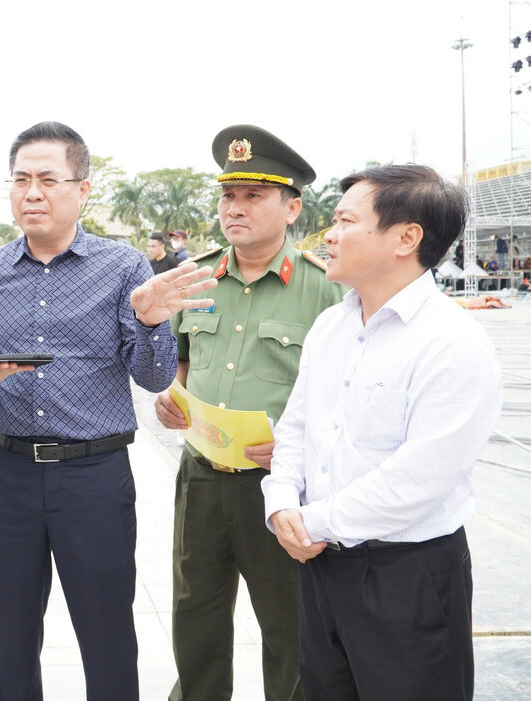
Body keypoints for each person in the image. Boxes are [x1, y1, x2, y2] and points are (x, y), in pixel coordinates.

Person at [0, 121, 217, 700]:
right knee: (12, 633)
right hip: (7, 472)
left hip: (93, 476)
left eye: (47, 179)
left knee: (107, 631)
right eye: (20, 180)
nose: (32, 193)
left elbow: (154, 376)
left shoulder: (122, 268)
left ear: (82, 190)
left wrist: (148, 321)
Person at [263, 164, 501, 700]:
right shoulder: (332, 325)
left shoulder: (451, 341)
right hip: (321, 562)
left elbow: (423, 476)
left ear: (406, 237)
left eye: (346, 220)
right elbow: (297, 426)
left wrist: (310, 520)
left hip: (406, 577)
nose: (330, 234)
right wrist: (280, 501)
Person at [153, 124, 344, 701]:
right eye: (228, 196)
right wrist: (172, 398)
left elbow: (347, 399)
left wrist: (301, 452)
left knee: (291, 628)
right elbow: (183, 363)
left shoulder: (325, 289)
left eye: (253, 197)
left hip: (281, 485)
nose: (235, 209)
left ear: (292, 209)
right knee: (195, 618)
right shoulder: (197, 279)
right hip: (203, 479)